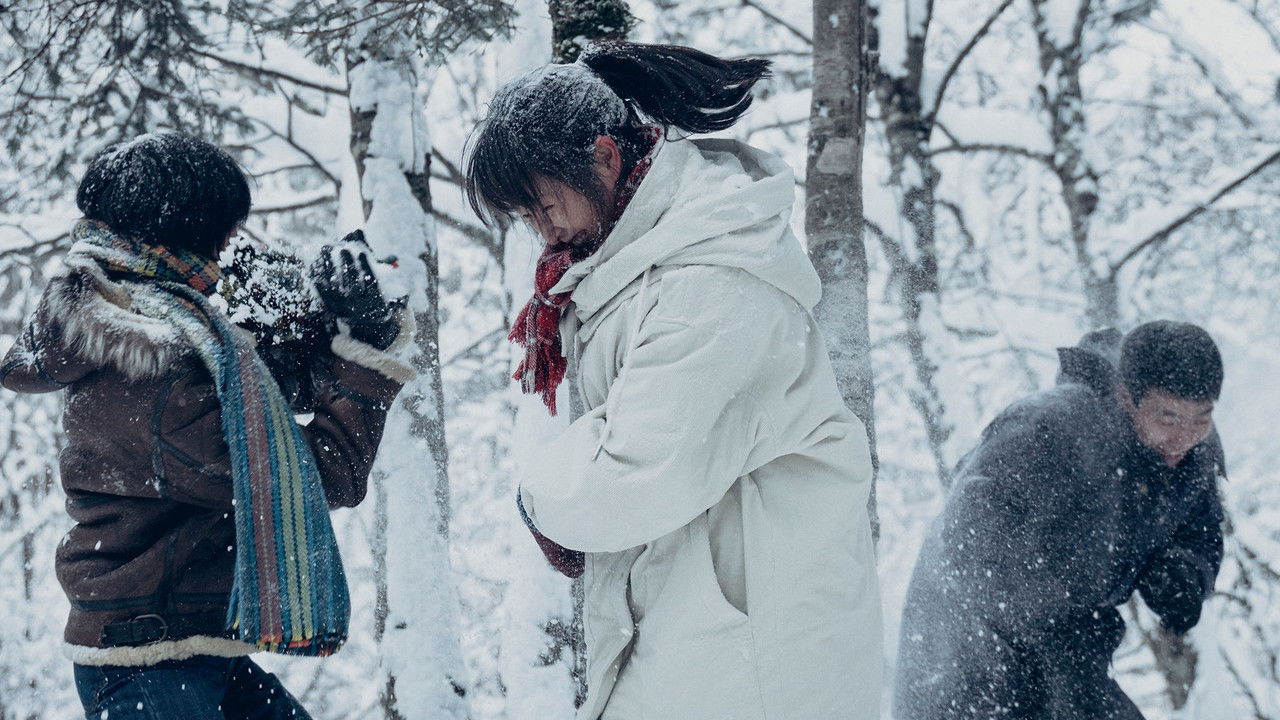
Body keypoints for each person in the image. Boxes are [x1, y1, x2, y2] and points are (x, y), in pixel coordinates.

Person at [465, 42, 882, 719]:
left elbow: (635, 472)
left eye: (544, 206)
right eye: (526, 218)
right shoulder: (639, 265)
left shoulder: (710, 278)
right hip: (708, 630)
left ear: (605, 156)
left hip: (756, 648)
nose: (542, 232)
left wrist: (538, 499)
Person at [0, 133, 414, 719]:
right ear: (184, 235)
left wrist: (317, 320)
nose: (227, 253)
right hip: (150, 665)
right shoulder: (151, 373)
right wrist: (363, 351)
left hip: (186, 649)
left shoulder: (160, 331)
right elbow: (315, 476)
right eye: (222, 236)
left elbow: (261, 405)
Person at [893, 322, 1226, 720]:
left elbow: (1198, 533)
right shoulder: (1048, 429)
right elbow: (971, 541)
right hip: (970, 656)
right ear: (1126, 397)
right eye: (1168, 419)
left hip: (1069, 656)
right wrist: (1057, 629)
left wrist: (1184, 574)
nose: (1184, 437)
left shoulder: (1193, 455)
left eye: (1201, 418)